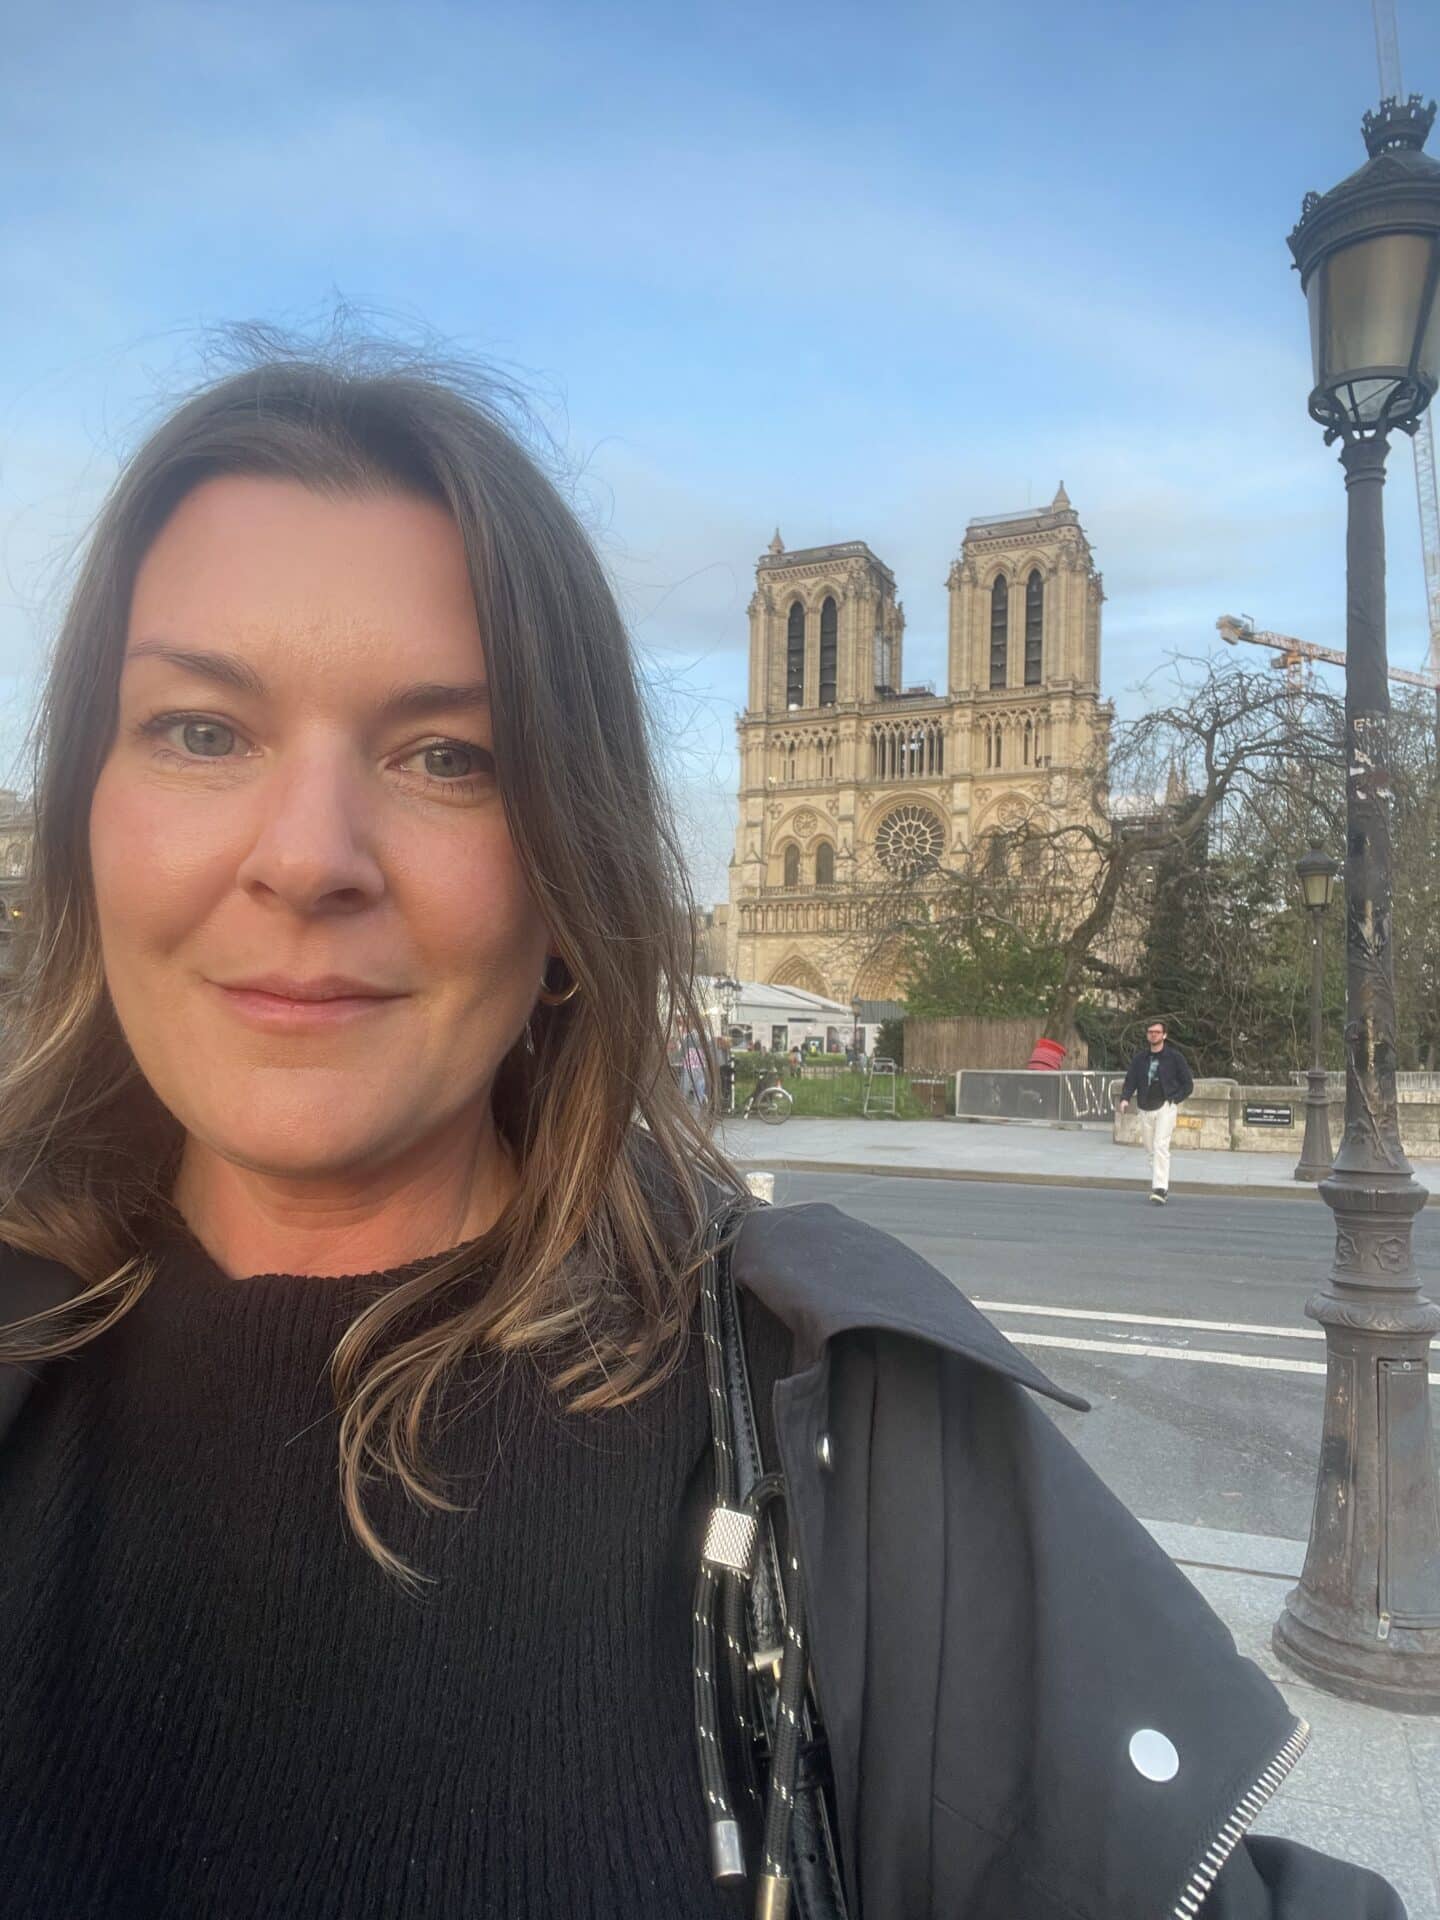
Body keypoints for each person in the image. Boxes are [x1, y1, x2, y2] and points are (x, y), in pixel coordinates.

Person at [0, 349, 1401, 1919]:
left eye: (447, 754)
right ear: (80, 814)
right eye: (200, 728)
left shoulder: (841, 1437)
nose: (307, 857)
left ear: (568, 865)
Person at [1119, 1016, 1195, 1204]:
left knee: (1161, 1146)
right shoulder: (1140, 1059)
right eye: (1151, 1032)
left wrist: (1174, 1100)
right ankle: (1158, 1182)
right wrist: (1125, 1098)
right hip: (1145, 1107)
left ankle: (1160, 1188)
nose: (1153, 1035)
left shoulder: (1174, 1058)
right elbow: (1131, 1080)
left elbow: (1188, 1084)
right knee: (1150, 1148)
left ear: (1164, 1035)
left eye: (1157, 1032)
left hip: (1165, 1106)